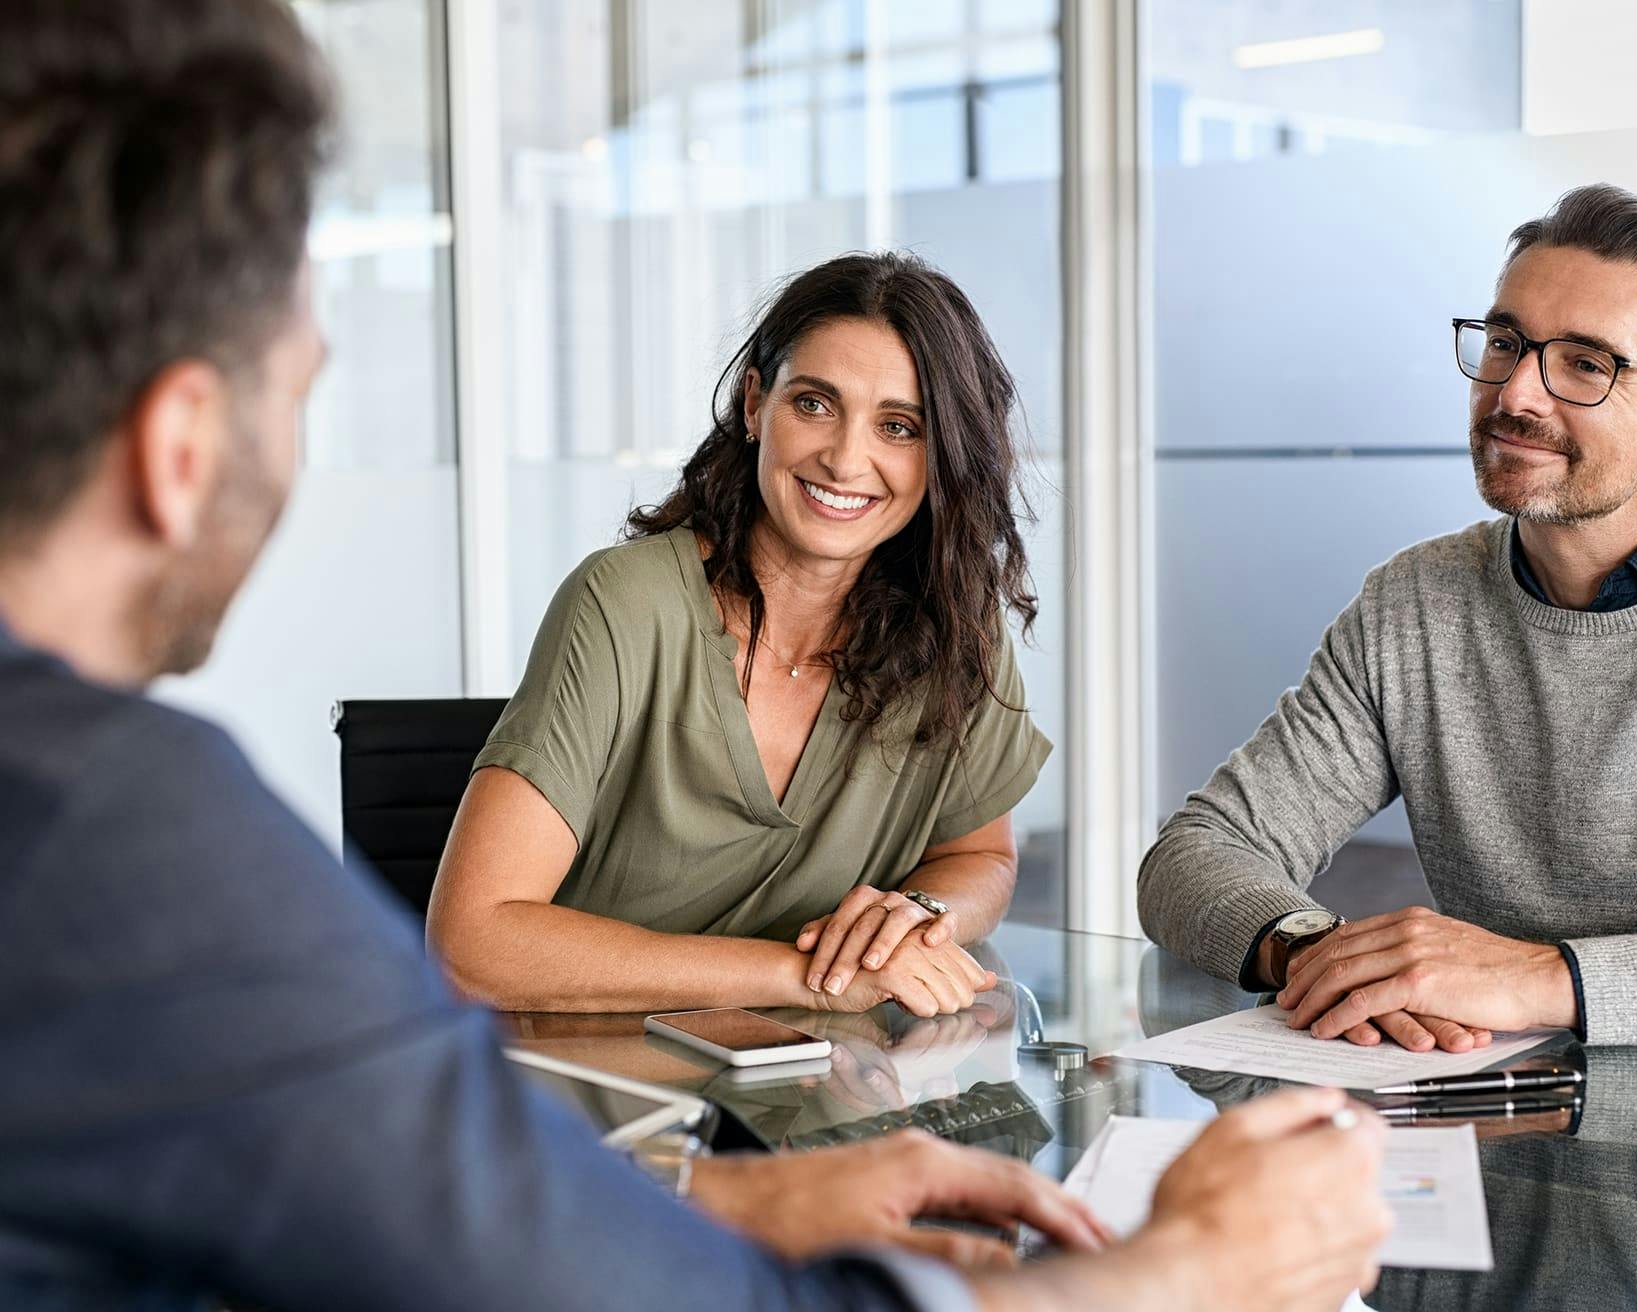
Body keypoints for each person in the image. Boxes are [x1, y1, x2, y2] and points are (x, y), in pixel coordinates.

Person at [0, 3, 1394, 1310]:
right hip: (601, 1119)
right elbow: (528, 1240)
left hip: (711, 1150)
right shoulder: (120, 845)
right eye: (303, 389)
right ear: (181, 448)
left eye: (902, 427)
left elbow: (430, 1223)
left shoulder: (97, 835)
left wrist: (764, 1180)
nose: (851, 455)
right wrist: (1176, 1269)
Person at [1140, 182, 1637, 1051]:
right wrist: (1323, 955)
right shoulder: (1414, 603)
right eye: (1506, 343)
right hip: (1483, 1138)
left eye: (1587, 364)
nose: (1516, 395)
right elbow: (1196, 854)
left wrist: (1546, 977)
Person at [428, 252, 1051, 1017]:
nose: (846, 458)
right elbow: (472, 943)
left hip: (817, 1103)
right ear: (755, 405)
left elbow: (978, 854)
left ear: (942, 453)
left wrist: (918, 915)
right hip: (588, 1095)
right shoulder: (624, 604)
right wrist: (804, 979)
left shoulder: (958, 626)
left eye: (899, 426)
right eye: (815, 405)